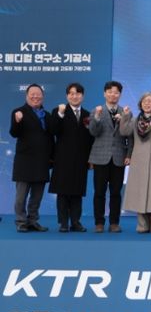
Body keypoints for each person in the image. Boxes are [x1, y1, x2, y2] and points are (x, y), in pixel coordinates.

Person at [119, 92, 151, 233]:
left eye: (150, 101)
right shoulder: (135, 120)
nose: (147, 104)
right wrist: (126, 116)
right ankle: (142, 224)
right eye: (144, 101)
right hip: (138, 160)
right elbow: (124, 131)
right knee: (140, 192)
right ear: (140, 104)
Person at [48, 82, 94, 232]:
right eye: (72, 94)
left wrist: (91, 159)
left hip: (81, 159)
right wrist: (60, 115)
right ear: (67, 96)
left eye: (78, 93)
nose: (75, 96)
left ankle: (75, 222)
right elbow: (53, 130)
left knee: (77, 192)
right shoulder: (58, 111)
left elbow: (91, 139)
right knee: (62, 192)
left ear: (83, 96)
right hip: (62, 159)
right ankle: (63, 223)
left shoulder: (87, 115)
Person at [88, 81, 132, 233]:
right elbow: (93, 132)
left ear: (120, 94)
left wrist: (129, 155)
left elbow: (130, 136)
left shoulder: (126, 112)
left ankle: (114, 223)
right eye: (110, 92)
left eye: (116, 92)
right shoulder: (96, 111)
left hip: (119, 157)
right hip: (100, 157)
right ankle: (99, 223)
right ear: (104, 93)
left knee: (116, 193)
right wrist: (97, 117)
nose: (113, 95)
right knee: (99, 192)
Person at [10, 83, 54, 232]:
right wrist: (17, 121)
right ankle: (21, 221)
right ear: (26, 96)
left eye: (38, 94)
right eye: (32, 94)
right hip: (24, 162)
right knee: (21, 196)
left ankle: (33, 220)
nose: (35, 97)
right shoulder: (18, 112)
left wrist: (52, 158)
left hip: (42, 162)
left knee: (37, 196)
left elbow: (50, 138)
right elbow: (14, 133)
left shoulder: (47, 115)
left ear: (43, 96)